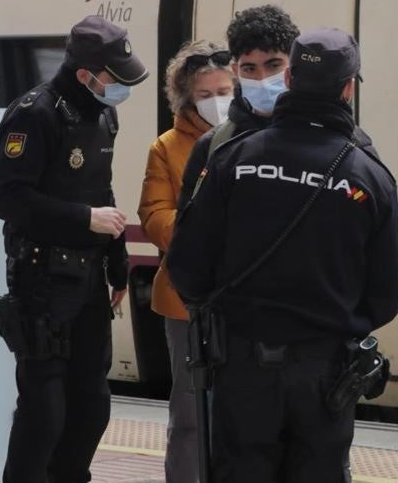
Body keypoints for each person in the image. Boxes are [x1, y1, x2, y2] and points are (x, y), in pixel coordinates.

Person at [167, 28, 398, 482]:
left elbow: (186, 267)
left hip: (241, 368)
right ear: (349, 86)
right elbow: (387, 294)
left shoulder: (232, 158)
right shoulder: (368, 174)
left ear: (290, 80)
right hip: (327, 375)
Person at [0, 15, 148, 483]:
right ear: (86, 75)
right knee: (44, 415)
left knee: (92, 407)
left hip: (90, 280)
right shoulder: (34, 114)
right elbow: (8, 198)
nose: (120, 89)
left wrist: (119, 267)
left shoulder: (103, 113)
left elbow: (104, 193)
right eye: (114, 79)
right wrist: (83, 219)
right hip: (42, 280)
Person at [137, 40, 234, 482]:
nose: (219, 102)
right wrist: (207, 227)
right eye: (206, 94)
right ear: (186, 98)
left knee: (246, 412)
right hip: (185, 301)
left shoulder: (256, 138)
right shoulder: (167, 147)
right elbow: (155, 216)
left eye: (225, 90)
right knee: (191, 414)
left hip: (244, 297)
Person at [176, 5, 302, 210]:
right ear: (236, 71)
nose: (262, 79)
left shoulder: (330, 140)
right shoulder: (214, 145)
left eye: (273, 65)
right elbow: (191, 231)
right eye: (250, 68)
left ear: (293, 64)